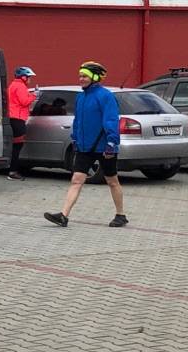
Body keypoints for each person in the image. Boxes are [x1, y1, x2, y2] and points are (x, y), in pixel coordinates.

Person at [44, 60, 127, 228]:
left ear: (95, 77)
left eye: (84, 76)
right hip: (84, 147)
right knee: (76, 180)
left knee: (112, 181)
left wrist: (112, 142)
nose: (81, 79)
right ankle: (63, 216)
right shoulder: (81, 97)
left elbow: (111, 120)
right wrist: (75, 138)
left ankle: (120, 215)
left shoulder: (106, 96)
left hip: (104, 147)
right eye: (80, 76)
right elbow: (78, 121)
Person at [7, 66, 38, 180]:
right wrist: (34, 95)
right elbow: (24, 102)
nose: (30, 79)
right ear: (23, 77)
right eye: (29, 77)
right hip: (18, 118)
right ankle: (12, 171)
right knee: (17, 146)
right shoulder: (20, 86)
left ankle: (12, 170)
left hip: (13, 117)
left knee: (15, 146)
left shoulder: (13, 85)